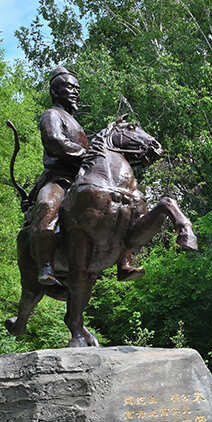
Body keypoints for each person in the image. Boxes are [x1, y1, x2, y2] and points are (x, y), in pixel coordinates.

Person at [26, 67, 142, 286]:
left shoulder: (77, 125)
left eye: (77, 88)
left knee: (120, 206)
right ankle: (46, 265)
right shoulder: (51, 115)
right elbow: (55, 141)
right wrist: (86, 154)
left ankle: (123, 260)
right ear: (55, 91)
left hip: (82, 180)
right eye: (69, 88)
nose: (75, 92)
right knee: (47, 205)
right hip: (60, 179)